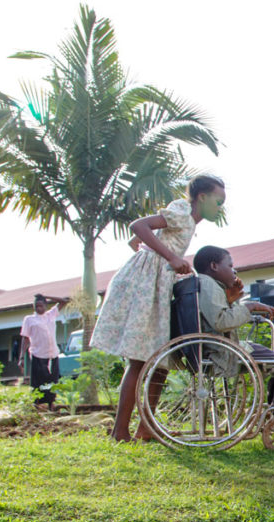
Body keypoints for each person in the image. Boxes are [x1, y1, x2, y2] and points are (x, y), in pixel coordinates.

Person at [92, 175, 226, 442]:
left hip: (158, 284)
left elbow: (143, 240)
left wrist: (168, 260)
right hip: (145, 283)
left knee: (158, 360)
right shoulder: (182, 212)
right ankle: (120, 432)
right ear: (201, 197)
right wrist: (171, 257)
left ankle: (145, 428)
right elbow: (138, 226)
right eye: (218, 201)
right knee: (140, 360)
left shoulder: (188, 222)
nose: (219, 207)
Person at [193, 245, 274, 439]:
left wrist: (232, 302)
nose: (234, 270)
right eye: (230, 265)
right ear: (213, 266)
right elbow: (221, 321)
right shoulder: (208, 285)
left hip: (216, 346)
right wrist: (250, 306)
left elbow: (216, 317)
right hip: (222, 350)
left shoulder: (203, 285)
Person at [18, 293, 70, 410]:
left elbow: (64, 300)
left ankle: (51, 404)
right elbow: (25, 338)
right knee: (38, 383)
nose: (38, 308)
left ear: (46, 305)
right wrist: (21, 357)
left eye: (41, 305)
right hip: (38, 355)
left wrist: (47, 296)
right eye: (36, 306)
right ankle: (37, 405)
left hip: (53, 355)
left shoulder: (50, 315)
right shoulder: (29, 319)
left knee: (52, 381)